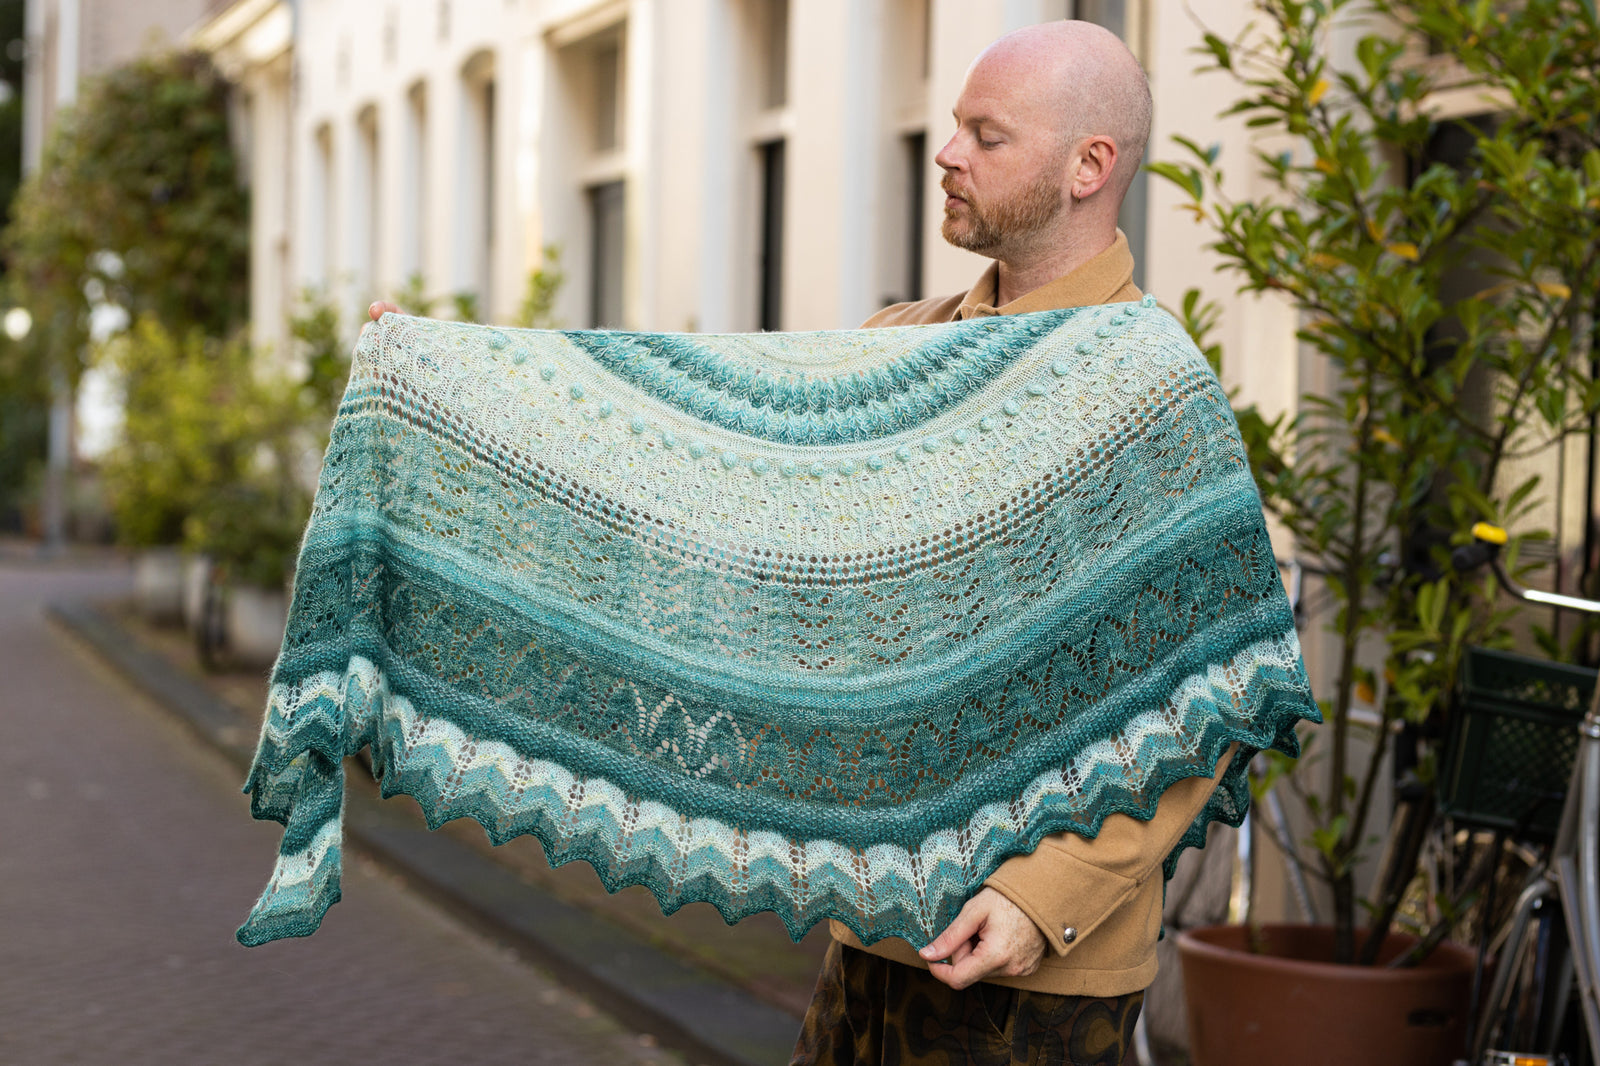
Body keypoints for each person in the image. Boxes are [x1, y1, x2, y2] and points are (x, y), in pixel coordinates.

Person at [370, 20, 1230, 1065]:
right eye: (952, 126)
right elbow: (704, 462)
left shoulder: (1150, 394)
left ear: (1089, 165)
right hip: (875, 918)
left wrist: (1036, 895)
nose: (946, 153)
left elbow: (1195, 696)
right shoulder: (897, 354)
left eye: (984, 136)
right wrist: (457, 392)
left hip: (1030, 968)